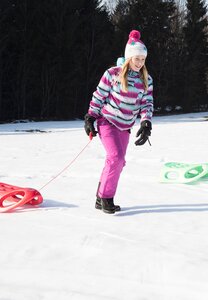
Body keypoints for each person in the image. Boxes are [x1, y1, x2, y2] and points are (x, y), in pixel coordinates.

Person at [84, 30, 154, 214]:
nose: (140, 63)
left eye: (143, 59)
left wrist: (146, 123)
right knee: (116, 158)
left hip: (125, 126)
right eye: (137, 58)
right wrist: (90, 117)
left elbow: (147, 104)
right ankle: (106, 198)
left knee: (118, 162)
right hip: (107, 121)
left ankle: (100, 197)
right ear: (129, 57)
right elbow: (99, 96)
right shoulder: (112, 74)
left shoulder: (146, 80)